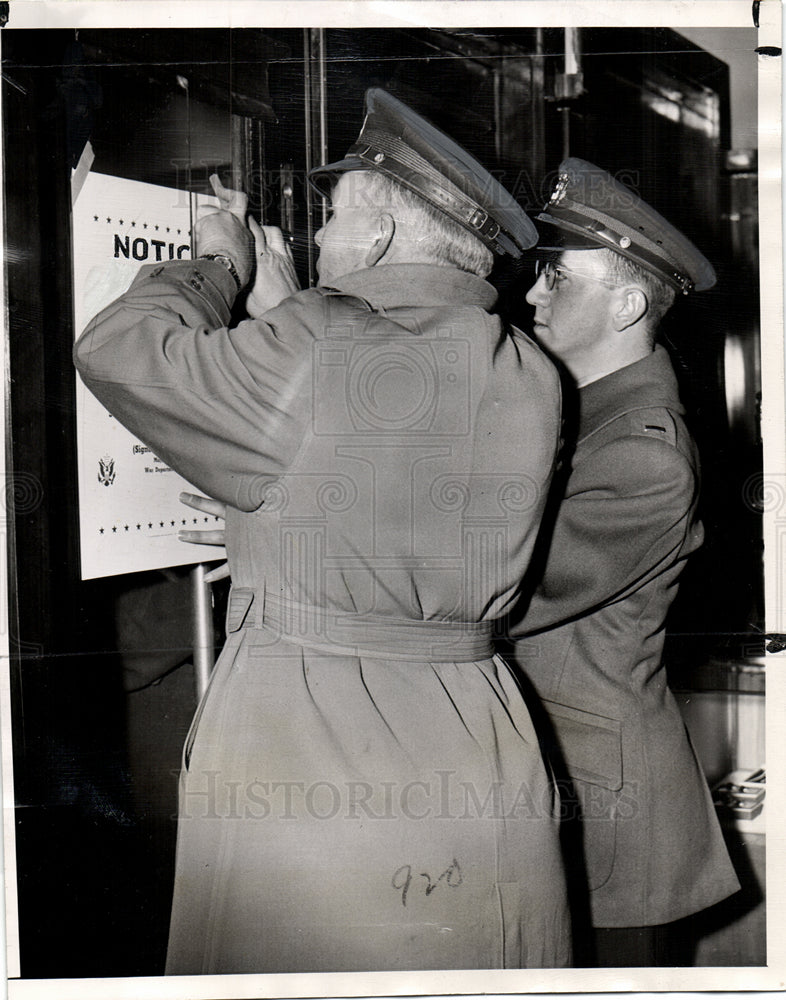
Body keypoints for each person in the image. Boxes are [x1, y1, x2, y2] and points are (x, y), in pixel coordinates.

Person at [74, 89, 572, 973]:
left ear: (377, 238)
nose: (317, 237)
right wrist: (303, 307)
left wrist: (216, 267)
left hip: (311, 733)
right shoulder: (531, 368)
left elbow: (119, 349)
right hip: (475, 728)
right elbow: (366, 442)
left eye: (335, 217)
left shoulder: (316, 340)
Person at [504, 158, 740, 966]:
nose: (533, 293)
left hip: (608, 817)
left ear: (628, 303)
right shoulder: (587, 420)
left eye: (556, 277)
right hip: (571, 790)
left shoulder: (643, 454)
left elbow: (503, 592)